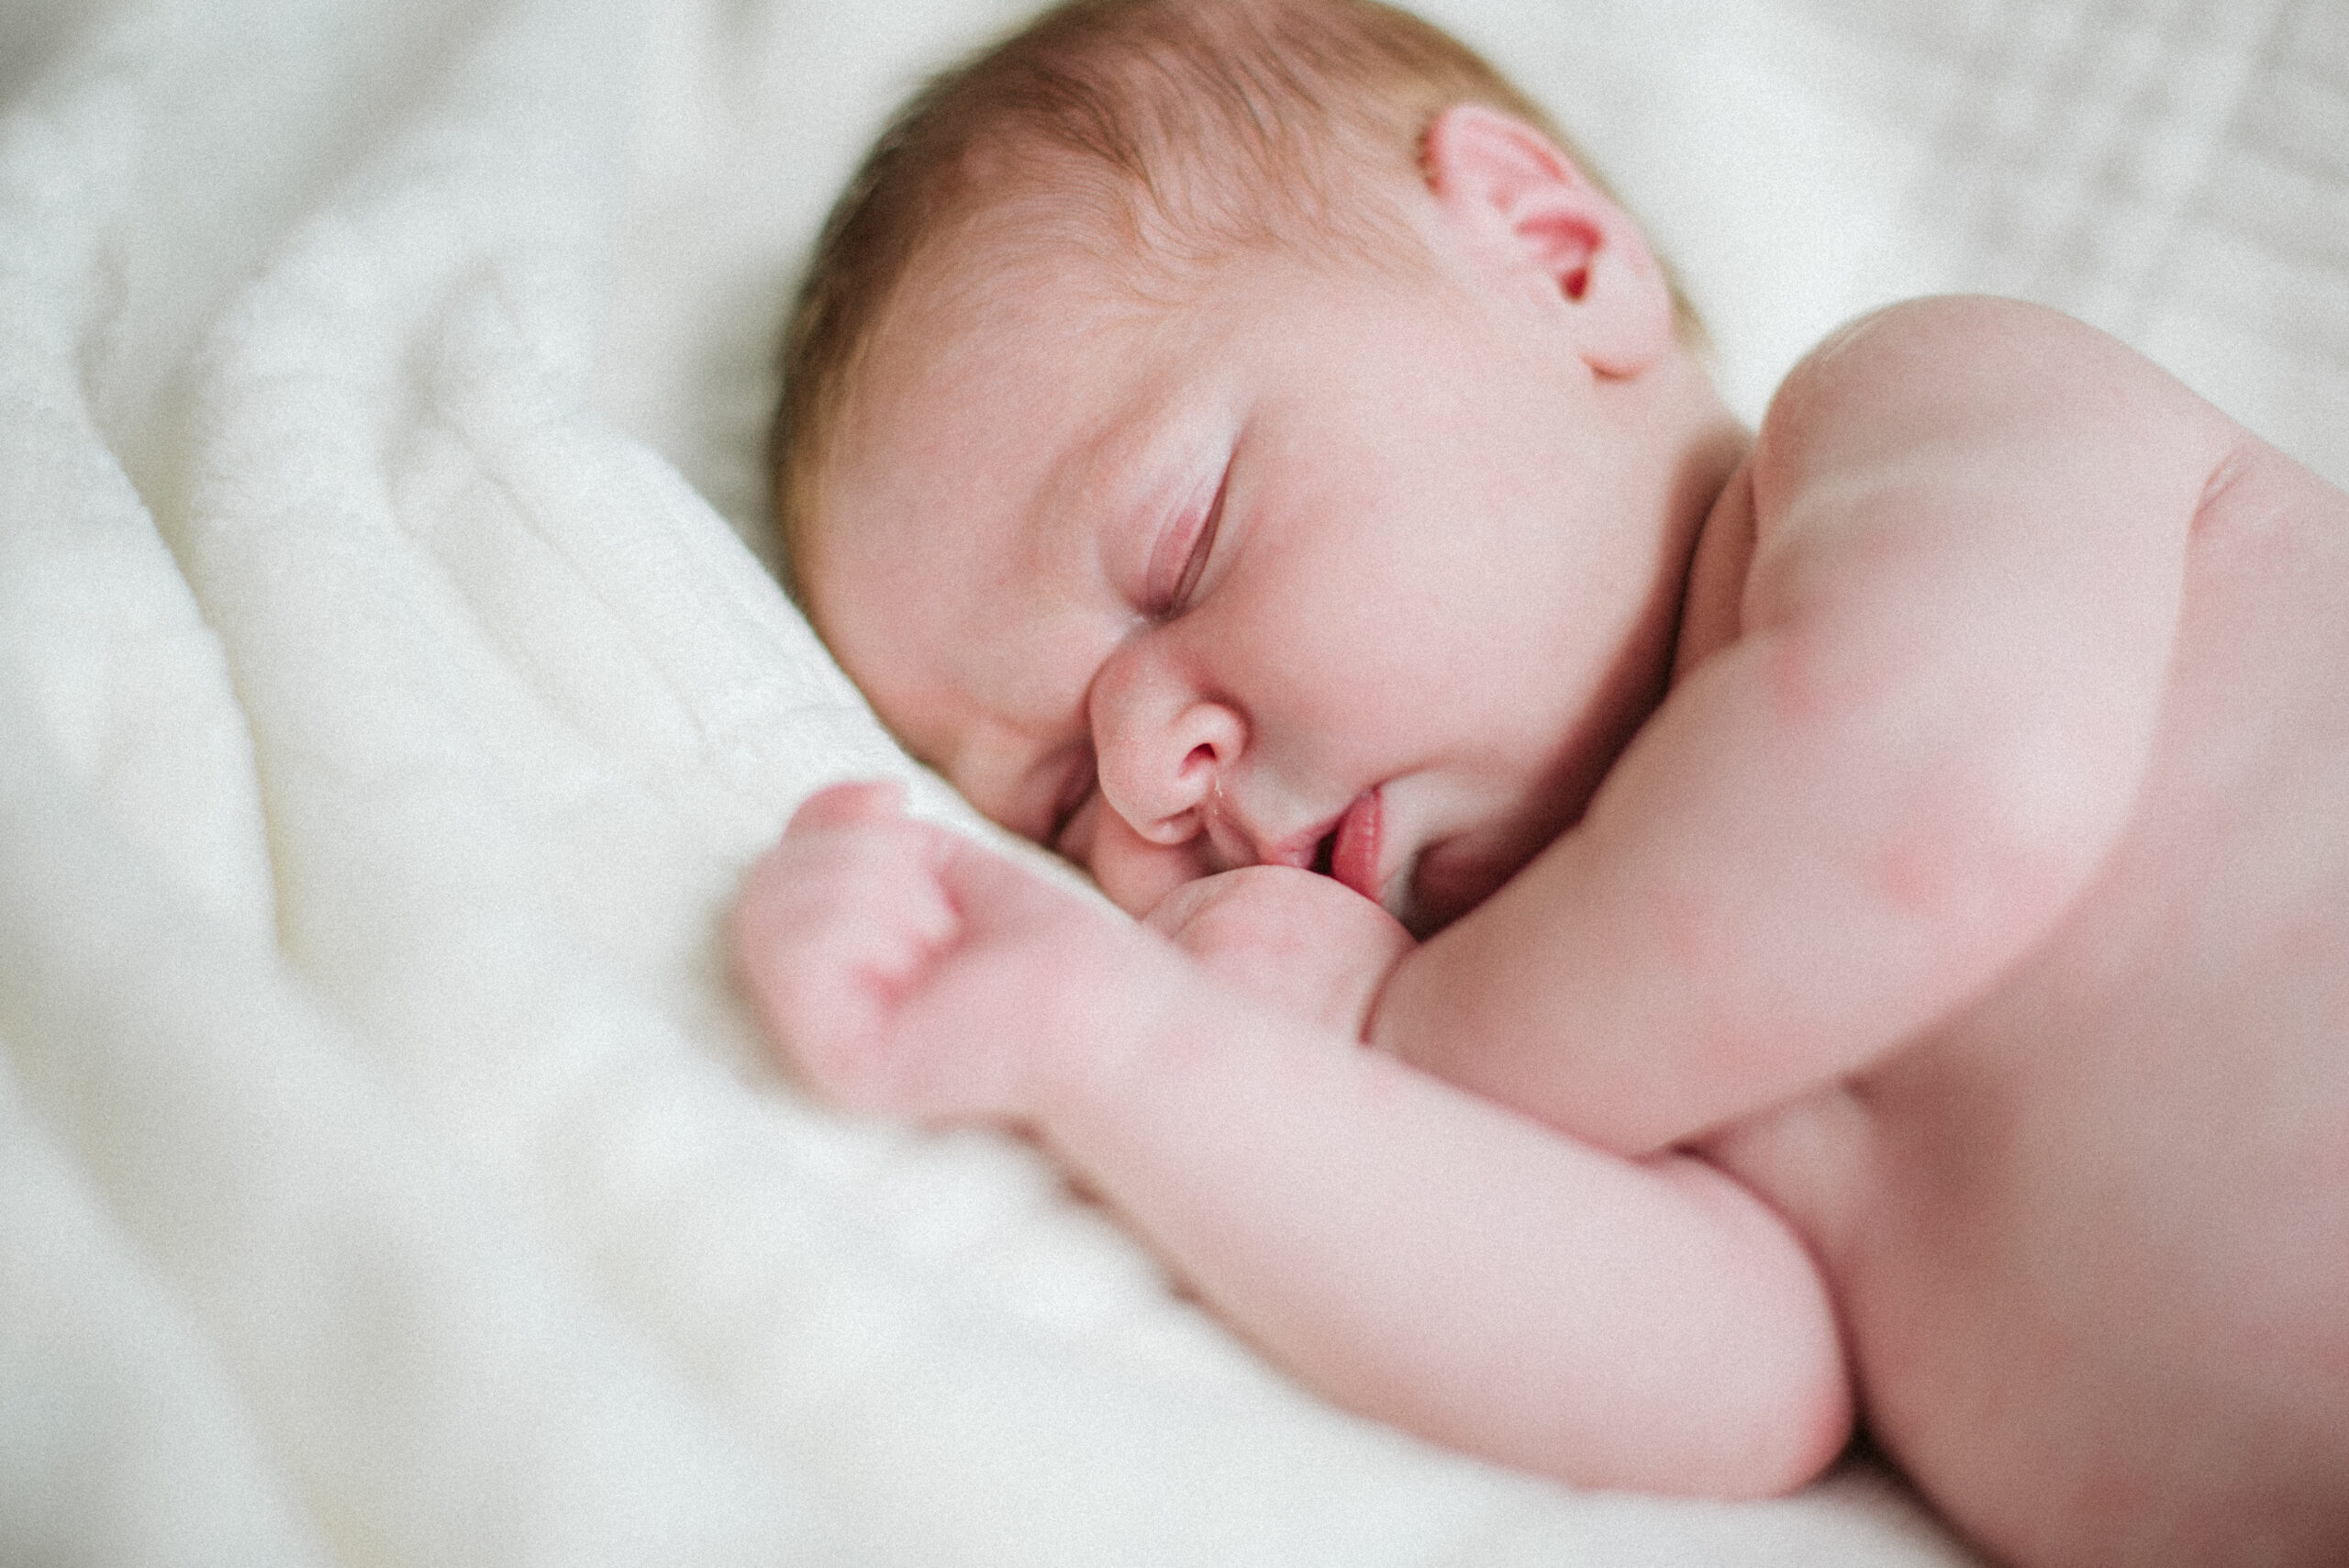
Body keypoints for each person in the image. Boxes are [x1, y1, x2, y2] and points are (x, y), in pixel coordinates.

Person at [732, 2, 2349, 1562]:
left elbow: (1939, 810)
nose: (1152, 779)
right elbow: (1730, 1398)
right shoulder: (1604, 1054)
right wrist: (1124, 1053)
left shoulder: (1922, 405)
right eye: (1062, 805)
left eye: (1175, 555)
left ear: (1549, 254)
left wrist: (1394, 1039)